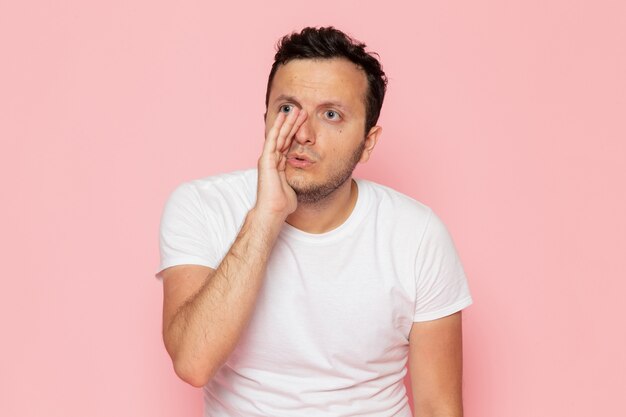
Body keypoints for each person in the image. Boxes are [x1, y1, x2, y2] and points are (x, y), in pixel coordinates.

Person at [155, 26, 473, 417]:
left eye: (331, 114)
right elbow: (192, 362)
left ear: (368, 141)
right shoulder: (202, 206)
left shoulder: (418, 234)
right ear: (266, 117)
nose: (301, 134)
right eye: (287, 109)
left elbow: (438, 406)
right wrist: (266, 215)